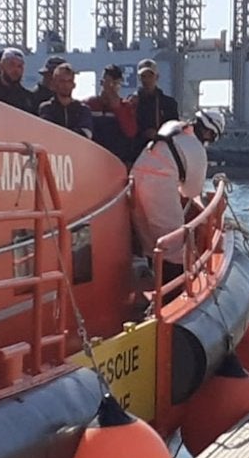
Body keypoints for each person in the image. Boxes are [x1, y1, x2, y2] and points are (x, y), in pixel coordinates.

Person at [130, 109, 224, 293]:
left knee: (149, 241)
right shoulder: (197, 150)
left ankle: (151, 279)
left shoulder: (172, 126)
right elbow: (192, 191)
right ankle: (171, 293)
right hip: (158, 186)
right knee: (172, 245)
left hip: (135, 177)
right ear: (209, 133)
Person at [86, 64, 138, 165]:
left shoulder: (126, 107)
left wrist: (117, 108)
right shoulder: (89, 105)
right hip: (94, 158)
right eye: (109, 83)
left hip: (118, 160)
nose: (112, 88)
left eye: (116, 84)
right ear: (101, 83)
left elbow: (131, 132)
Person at [133, 58, 179, 157]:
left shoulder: (169, 104)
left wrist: (158, 134)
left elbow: (175, 131)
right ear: (139, 78)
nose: (146, 80)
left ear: (157, 77)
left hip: (162, 153)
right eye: (143, 76)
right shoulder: (131, 102)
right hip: (137, 153)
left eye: (150, 76)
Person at [37, 63, 93, 138]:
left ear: (73, 84)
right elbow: (48, 132)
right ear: (54, 83)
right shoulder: (46, 108)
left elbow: (86, 133)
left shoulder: (83, 110)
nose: (66, 85)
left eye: (69, 81)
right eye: (62, 81)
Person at [0, 47, 36, 114]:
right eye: (11, 64)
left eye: (19, 66)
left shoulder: (28, 98)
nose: (16, 70)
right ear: (1, 66)